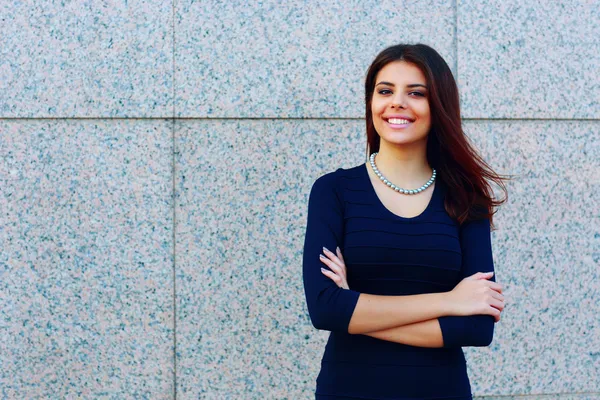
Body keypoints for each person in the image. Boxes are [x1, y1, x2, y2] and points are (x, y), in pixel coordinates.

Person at [302, 43, 510, 399]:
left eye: (416, 93)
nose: (397, 102)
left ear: (438, 106)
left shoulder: (466, 198)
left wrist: (355, 304)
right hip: (350, 389)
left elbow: (477, 327)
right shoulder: (333, 191)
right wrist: (449, 301)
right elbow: (325, 310)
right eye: (385, 91)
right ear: (371, 102)